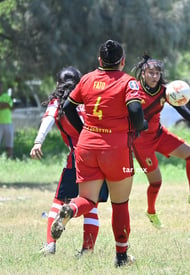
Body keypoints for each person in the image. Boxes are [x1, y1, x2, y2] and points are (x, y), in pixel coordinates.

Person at [51, 39, 146, 267]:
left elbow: (67, 108)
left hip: (86, 146)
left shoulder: (87, 79)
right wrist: (140, 126)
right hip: (115, 148)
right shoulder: (128, 82)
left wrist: (84, 129)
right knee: (120, 204)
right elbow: (134, 109)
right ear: (122, 61)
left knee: (86, 199)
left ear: (99, 60)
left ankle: (70, 209)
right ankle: (121, 257)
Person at [30, 66, 108, 256]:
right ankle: (87, 250)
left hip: (77, 158)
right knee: (91, 205)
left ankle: (50, 245)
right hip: (101, 157)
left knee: (58, 201)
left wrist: (38, 141)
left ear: (58, 84)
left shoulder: (58, 102)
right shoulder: (89, 98)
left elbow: (48, 118)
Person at [131, 55, 190, 230]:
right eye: (151, 73)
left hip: (159, 136)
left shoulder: (164, 91)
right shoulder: (134, 91)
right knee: (156, 182)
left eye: (157, 73)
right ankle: (151, 212)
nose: (154, 76)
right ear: (143, 73)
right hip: (141, 144)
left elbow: (182, 110)